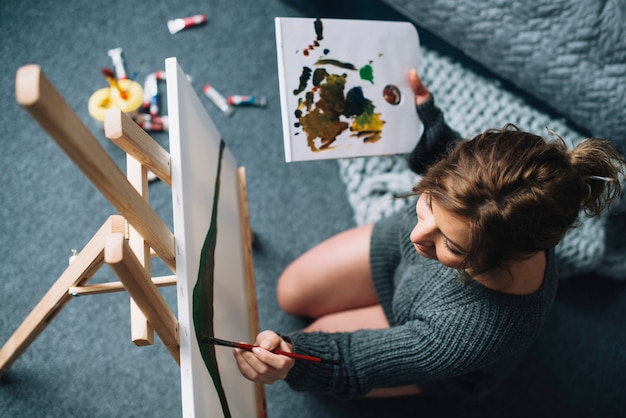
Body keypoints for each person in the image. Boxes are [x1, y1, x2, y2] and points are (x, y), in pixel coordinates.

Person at [234, 69, 626, 399]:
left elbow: (352, 359)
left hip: (434, 336)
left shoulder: (474, 331)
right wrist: (426, 118)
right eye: (427, 203)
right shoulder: (498, 204)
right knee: (290, 290)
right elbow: (452, 158)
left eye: (452, 244)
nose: (419, 236)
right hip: (401, 270)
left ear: (505, 255)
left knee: (307, 344)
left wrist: (290, 358)